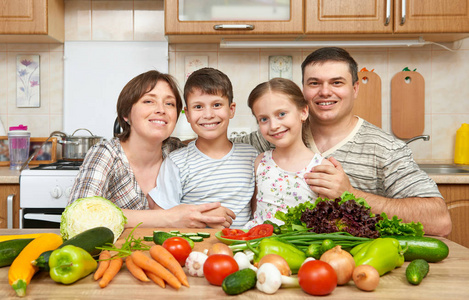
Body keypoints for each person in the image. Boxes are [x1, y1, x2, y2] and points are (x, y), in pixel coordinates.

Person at [235, 47, 452, 237]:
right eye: (314, 83)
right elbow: (209, 149)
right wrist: (199, 209)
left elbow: (440, 221)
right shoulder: (272, 136)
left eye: (337, 82)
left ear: (355, 88)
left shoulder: (384, 149)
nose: (325, 91)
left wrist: (351, 194)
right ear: (303, 92)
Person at [68, 70, 234, 229]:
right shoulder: (106, 153)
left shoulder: (177, 151)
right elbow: (79, 214)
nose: (161, 110)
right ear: (126, 114)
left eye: (169, 103)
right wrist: (169, 217)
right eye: (149, 101)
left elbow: (219, 146)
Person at [148, 68, 258, 228]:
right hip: (193, 249)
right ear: (187, 114)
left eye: (217, 105)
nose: (208, 115)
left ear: (231, 109)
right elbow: (162, 217)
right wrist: (201, 216)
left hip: (244, 248)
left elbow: (258, 213)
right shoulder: (176, 162)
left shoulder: (251, 156)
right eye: (198, 107)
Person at [244, 78, 333, 227]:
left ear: (303, 112)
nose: (273, 126)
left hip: (298, 246)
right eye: (264, 119)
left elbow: (324, 224)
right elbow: (255, 212)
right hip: (258, 244)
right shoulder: (260, 162)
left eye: (281, 114)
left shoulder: (321, 168)